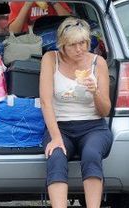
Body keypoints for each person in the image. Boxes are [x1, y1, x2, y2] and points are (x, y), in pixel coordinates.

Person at [39, 17, 112, 208]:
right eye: (73, 45)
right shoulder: (50, 59)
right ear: (62, 45)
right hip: (60, 127)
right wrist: (55, 138)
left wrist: (95, 91)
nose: (79, 49)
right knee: (56, 156)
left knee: (91, 154)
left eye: (83, 43)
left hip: (93, 126)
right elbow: (46, 102)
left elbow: (105, 110)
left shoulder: (98, 63)